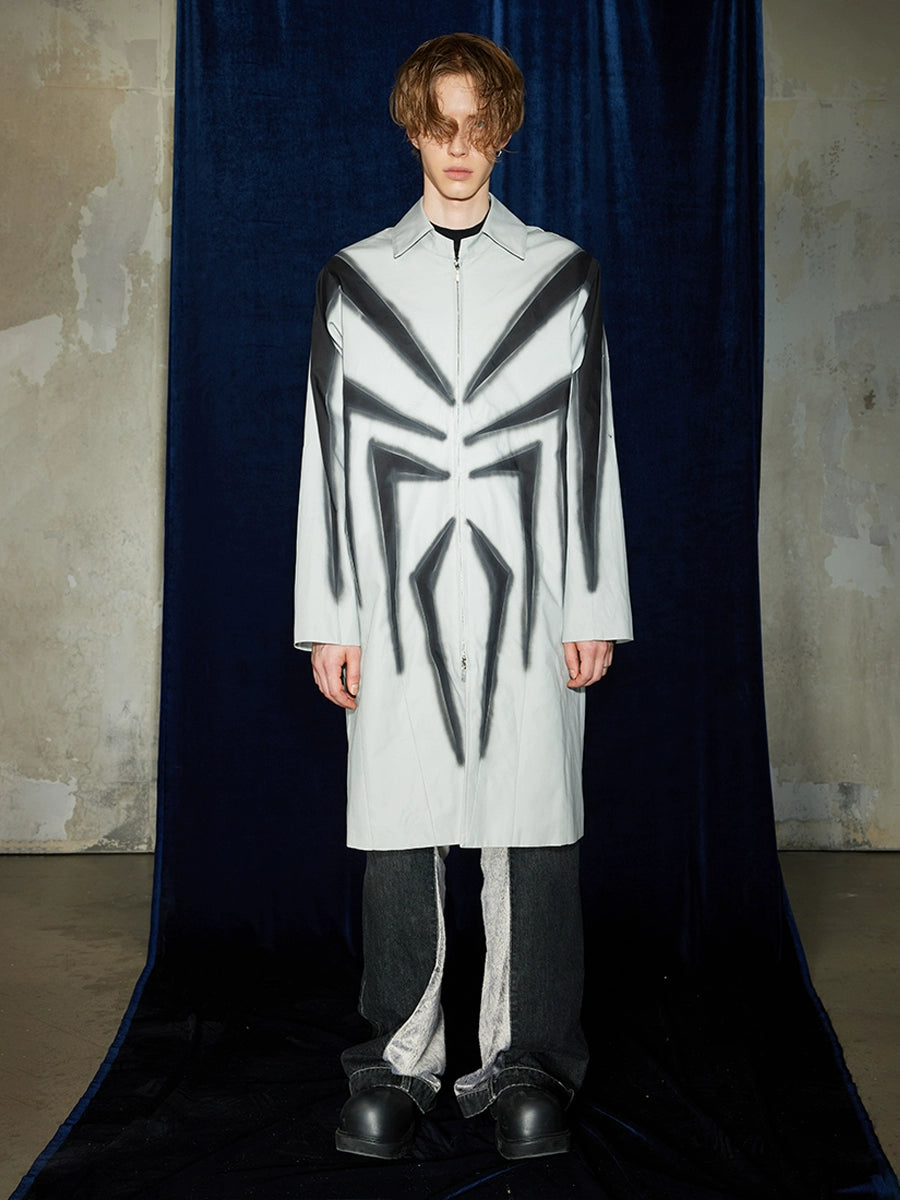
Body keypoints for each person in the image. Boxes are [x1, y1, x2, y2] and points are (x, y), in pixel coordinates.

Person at [293, 32, 632, 1161]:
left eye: (477, 126)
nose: (459, 148)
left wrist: (593, 604)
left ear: (504, 133)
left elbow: (590, 449)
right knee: (401, 823)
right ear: (413, 131)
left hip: (532, 589)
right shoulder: (356, 278)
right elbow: (327, 456)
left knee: (531, 823)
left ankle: (529, 1059)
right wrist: (329, 616)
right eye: (440, 126)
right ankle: (396, 1059)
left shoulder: (559, 273)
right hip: (392, 592)